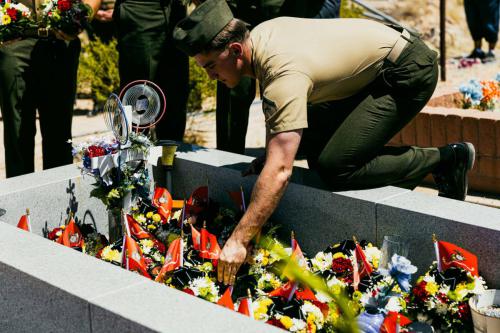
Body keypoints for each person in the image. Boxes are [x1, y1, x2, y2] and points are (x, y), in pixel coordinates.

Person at [173, 0, 476, 285]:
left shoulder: (281, 71)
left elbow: (281, 171)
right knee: (315, 152)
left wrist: (239, 240)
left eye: (211, 66)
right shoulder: (261, 36)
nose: (211, 76)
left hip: (406, 72)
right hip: (373, 72)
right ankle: (398, 171)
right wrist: (269, 155)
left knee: (336, 166)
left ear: (236, 49)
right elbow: (279, 119)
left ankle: (448, 159)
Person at [214, 0, 341, 154]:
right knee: (234, 88)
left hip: (287, 11)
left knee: (291, 86)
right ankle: (226, 163)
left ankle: (285, 157)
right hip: (239, 9)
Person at [0, 0, 101, 178]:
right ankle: (20, 198)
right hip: (14, 42)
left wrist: (80, 20)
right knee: (17, 132)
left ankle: (59, 200)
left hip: (61, 41)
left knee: (59, 132)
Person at [113, 0, 189, 142]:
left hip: (177, 10)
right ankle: (132, 159)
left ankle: (169, 159)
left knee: (175, 95)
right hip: (141, 9)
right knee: (137, 95)